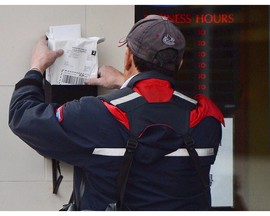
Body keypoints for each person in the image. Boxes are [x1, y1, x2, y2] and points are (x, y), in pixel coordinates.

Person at [9, 15, 224, 210]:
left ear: (128, 57)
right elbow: (161, 118)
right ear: (180, 63)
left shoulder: (96, 116)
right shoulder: (208, 121)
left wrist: (36, 67)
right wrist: (126, 83)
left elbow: (23, 116)